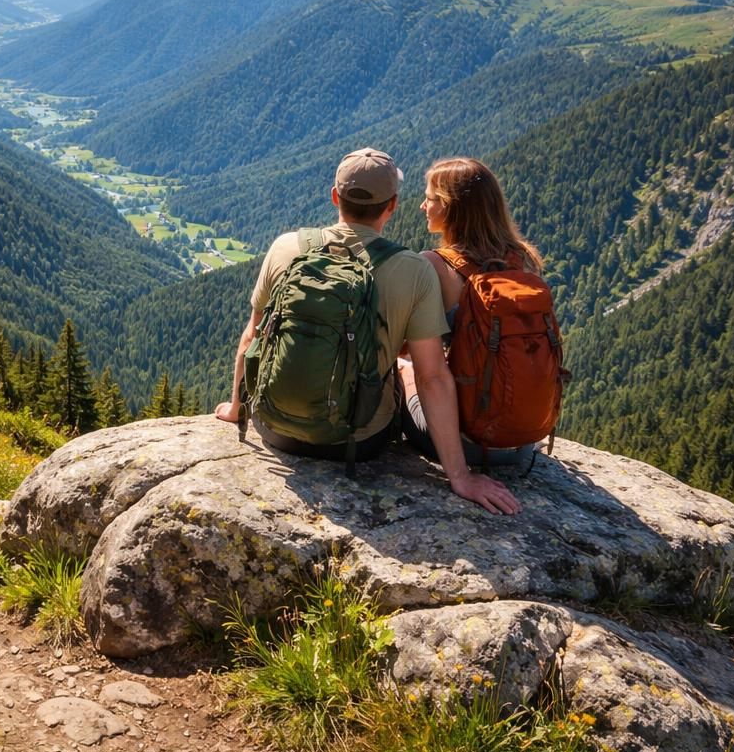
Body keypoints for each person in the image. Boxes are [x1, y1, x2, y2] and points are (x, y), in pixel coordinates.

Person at [215, 148, 521, 515]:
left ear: (334, 197)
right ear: (392, 205)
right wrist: (460, 477)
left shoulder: (286, 247)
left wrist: (237, 409)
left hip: (274, 428)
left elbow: (253, 336)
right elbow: (432, 377)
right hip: (359, 440)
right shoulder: (414, 271)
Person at [400, 156, 545, 466]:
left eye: (429, 200)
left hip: (466, 444)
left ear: (451, 207)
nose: (422, 207)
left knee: (402, 365)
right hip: (522, 442)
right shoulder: (524, 260)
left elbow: (403, 348)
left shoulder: (434, 266)